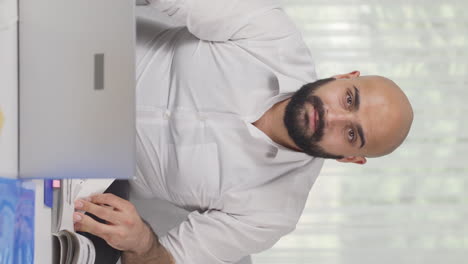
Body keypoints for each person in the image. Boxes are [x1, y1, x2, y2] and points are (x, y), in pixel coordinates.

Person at [72, 0, 414, 263]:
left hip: (78, 162)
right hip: (79, 47)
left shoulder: (273, 213)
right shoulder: (272, 34)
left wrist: (142, 242)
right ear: (343, 78)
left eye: (352, 134)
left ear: (349, 157)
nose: (332, 117)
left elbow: (166, 260)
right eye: (349, 99)